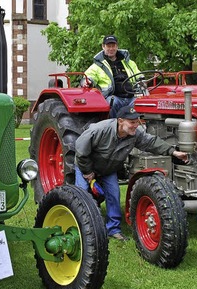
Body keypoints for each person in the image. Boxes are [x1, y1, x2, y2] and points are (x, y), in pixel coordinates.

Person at [74, 106, 189, 241]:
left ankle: (113, 229)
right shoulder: (99, 130)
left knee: (114, 195)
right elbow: (81, 151)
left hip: (108, 169)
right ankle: (81, 229)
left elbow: (151, 142)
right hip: (86, 166)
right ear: (121, 121)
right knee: (82, 195)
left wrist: (173, 152)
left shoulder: (135, 134)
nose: (136, 125)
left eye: (137, 121)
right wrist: (87, 172)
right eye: (132, 122)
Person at [83, 35, 142, 118]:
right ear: (103, 47)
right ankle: (114, 126)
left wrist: (143, 82)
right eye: (108, 46)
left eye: (113, 46)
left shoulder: (129, 63)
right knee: (112, 102)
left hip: (132, 97)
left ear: (117, 46)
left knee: (143, 102)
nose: (111, 49)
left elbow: (140, 76)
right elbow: (88, 77)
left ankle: (143, 126)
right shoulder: (97, 66)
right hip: (114, 97)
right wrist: (87, 81)